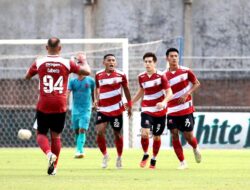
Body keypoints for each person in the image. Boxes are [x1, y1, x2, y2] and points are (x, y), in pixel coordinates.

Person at [25, 37, 91, 175]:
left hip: (44, 103)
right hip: (60, 104)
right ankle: (54, 167)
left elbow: (27, 77)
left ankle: (48, 153)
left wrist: (38, 69)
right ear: (60, 48)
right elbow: (87, 72)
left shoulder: (40, 62)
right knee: (56, 137)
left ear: (46, 47)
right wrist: (83, 60)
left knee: (41, 133)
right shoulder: (68, 63)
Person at [132, 52, 172, 169]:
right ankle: (145, 154)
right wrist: (131, 102)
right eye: (146, 62)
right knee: (144, 133)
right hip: (146, 109)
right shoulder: (141, 77)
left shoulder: (161, 76)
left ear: (154, 63)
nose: (147, 64)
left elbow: (170, 92)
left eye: (150, 62)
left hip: (160, 111)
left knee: (156, 137)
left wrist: (164, 102)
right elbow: (141, 91)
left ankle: (154, 158)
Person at [164, 48, 201, 170]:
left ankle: (195, 148)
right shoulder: (163, 75)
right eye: (171, 56)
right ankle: (182, 162)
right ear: (167, 58)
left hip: (186, 109)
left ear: (178, 57)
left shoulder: (186, 71)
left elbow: (197, 83)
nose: (174, 58)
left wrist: (187, 94)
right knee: (174, 134)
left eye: (176, 56)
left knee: (188, 136)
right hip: (171, 110)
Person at [94, 54, 132, 169]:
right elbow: (97, 88)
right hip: (103, 108)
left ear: (115, 63)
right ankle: (105, 156)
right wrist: (96, 99)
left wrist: (129, 105)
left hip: (116, 109)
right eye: (109, 60)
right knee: (99, 131)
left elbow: (126, 89)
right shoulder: (98, 75)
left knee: (117, 133)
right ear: (104, 62)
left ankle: (119, 157)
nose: (111, 62)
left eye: (113, 60)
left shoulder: (121, 75)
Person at [67, 60, 95, 158]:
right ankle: (79, 148)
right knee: (76, 130)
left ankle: (79, 150)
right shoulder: (72, 81)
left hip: (86, 109)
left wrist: (95, 102)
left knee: (82, 129)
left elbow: (93, 93)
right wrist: (65, 103)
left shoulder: (90, 81)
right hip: (75, 110)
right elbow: (68, 92)